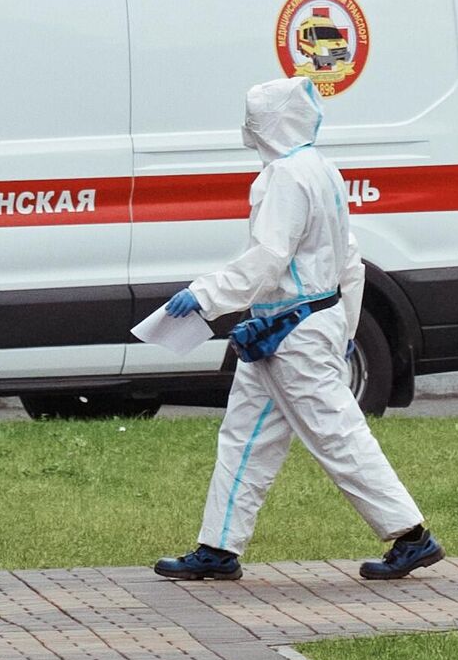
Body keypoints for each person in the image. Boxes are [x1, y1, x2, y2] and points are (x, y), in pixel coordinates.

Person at [154, 77, 441, 582]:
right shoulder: (321, 169)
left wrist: (206, 295)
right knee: (245, 439)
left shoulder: (283, 177)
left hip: (289, 332)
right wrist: (343, 325)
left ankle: (411, 534)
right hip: (299, 326)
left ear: (265, 124)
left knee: (336, 434)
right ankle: (218, 548)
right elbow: (348, 258)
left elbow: (269, 256)